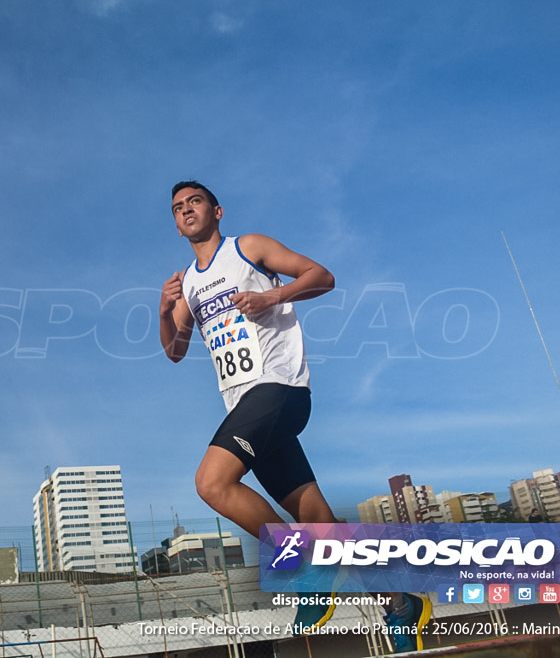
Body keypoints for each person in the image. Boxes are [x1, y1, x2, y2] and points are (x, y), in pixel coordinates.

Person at [159, 181, 431, 653]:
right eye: (178, 207)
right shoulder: (190, 284)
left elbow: (322, 276)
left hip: (279, 388)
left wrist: (271, 297)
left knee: (211, 483)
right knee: (316, 518)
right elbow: (174, 351)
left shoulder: (247, 248)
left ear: (217, 210)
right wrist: (165, 311)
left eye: (194, 201)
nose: (186, 210)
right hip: (246, 406)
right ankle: (402, 606)